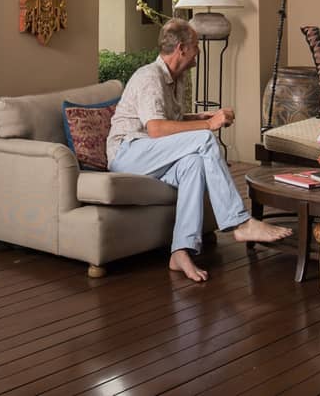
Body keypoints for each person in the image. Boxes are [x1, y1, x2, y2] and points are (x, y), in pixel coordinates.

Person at [107, 18, 292, 282]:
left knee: (192, 163)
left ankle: (180, 250)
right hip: (128, 153)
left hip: (149, 151)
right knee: (203, 139)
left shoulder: (176, 79)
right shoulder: (150, 77)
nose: (199, 52)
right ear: (182, 48)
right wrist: (207, 125)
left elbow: (170, 122)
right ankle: (240, 222)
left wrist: (203, 117)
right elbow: (156, 129)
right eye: (196, 46)